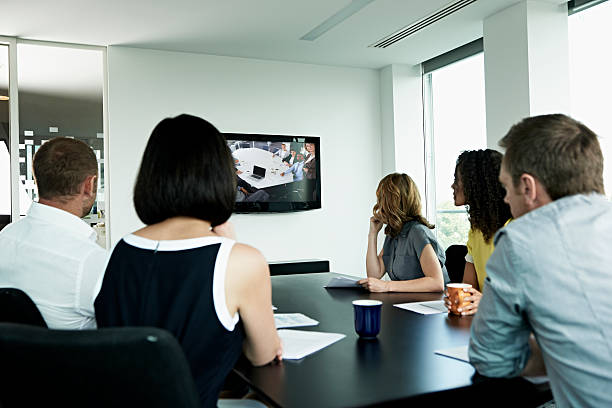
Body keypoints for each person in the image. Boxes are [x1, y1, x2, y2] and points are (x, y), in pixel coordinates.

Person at [94, 114, 282, 408]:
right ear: (222, 176)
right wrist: (228, 244)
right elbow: (264, 355)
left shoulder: (122, 250)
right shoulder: (241, 260)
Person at [468, 114, 612, 407]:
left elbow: (492, 360)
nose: (506, 199)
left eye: (506, 188)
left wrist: (555, 351)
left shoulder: (522, 240)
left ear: (528, 187)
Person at [0, 137, 107, 329]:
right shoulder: (92, 262)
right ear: (89, 185)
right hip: (71, 358)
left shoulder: (5, 238)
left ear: (37, 180)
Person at [444, 149, 512, 315]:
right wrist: (460, 298)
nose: (453, 185)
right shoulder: (476, 231)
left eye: (456, 180)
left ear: (475, 183)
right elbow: (469, 287)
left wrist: (487, 301)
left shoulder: (514, 231)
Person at [360, 173, 449, 292]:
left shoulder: (418, 232)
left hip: (433, 305)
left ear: (393, 202)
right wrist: (372, 234)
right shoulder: (393, 233)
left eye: (382, 199)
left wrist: (387, 286)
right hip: (408, 303)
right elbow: (374, 275)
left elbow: (436, 282)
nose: (379, 205)